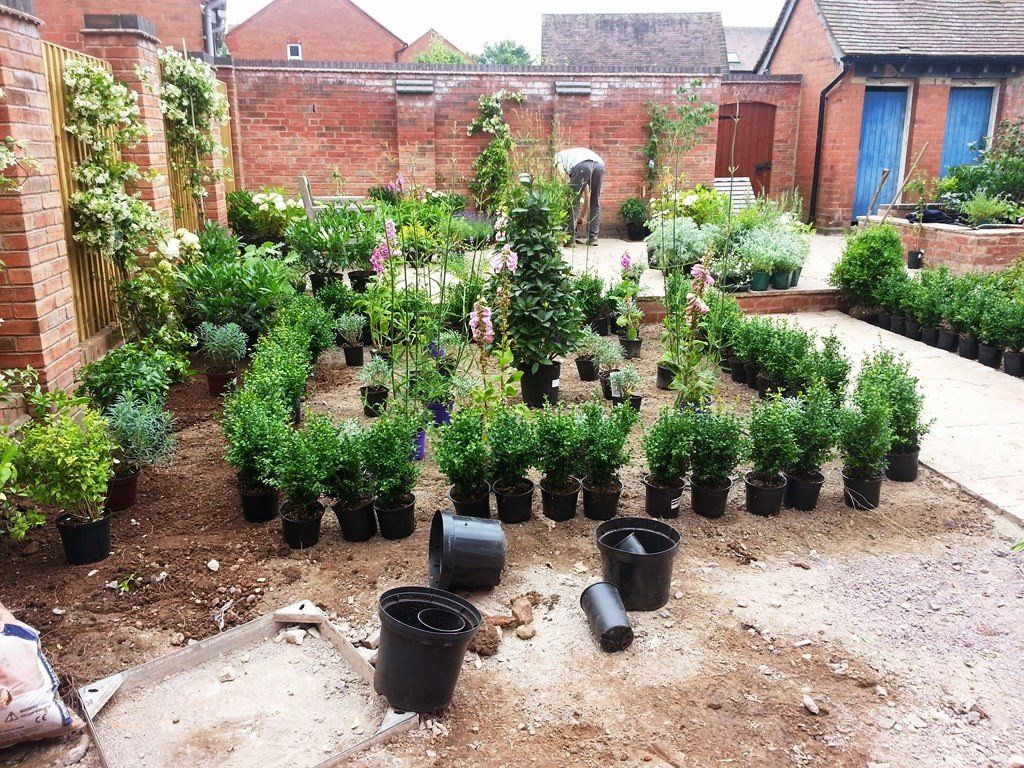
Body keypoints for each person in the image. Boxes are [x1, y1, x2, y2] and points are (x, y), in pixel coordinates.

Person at [555, 147, 605, 245]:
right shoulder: (576, 154)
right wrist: (581, 218)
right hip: (599, 165)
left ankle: (570, 239)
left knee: (573, 201)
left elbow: (561, 173)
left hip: (581, 166)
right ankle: (593, 238)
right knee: (595, 201)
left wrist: (566, 191)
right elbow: (587, 197)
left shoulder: (558, 155)